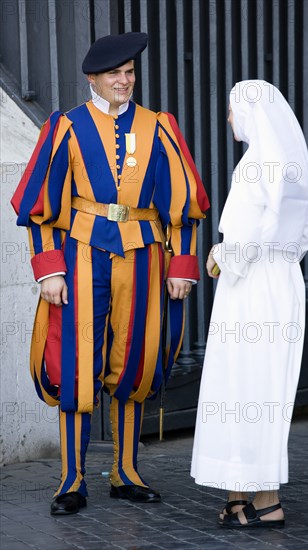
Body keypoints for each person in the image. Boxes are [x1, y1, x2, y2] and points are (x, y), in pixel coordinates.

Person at [11, 32, 210, 515]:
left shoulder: (159, 126)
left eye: (130, 73)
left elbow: (183, 207)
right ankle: (72, 480)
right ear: (92, 79)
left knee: (135, 362)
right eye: (114, 74)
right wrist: (48, 271)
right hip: (81, 256)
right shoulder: (65, 127)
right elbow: (40, 208)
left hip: (143, 256)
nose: (124, 81)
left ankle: (126, 472)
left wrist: (181, 265)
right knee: (79, 366)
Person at [191, 80, 308, 528]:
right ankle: (249, 496)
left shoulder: (257, 165)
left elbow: (254, 236)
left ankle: (262, 500)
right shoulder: (289, 163)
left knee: (244, 385)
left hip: (252, 286)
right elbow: (294, 236)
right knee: (259, 388)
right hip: (279, 282)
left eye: (231, 110)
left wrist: (222, 255)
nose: (228, 119)